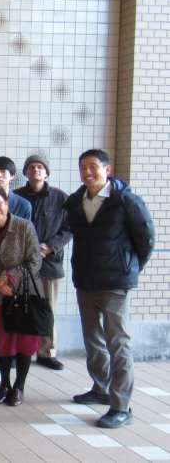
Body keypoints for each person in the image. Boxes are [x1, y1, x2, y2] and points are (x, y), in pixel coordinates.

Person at [64, 149, 154, 429]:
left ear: (107, 169)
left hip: (116, 283)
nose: (87, 172)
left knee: (118, 342)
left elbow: (146, 239)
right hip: (85, 280)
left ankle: (121, 407)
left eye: (93, 166)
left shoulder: (126, 201)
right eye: (83, 167)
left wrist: (128, 269)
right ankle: (100, 388)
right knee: (93, 339)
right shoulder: (77, 201)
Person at [0, 187, 42, 407]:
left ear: (6, 204)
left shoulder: (25, 226)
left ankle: (19, 387)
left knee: (25, 341)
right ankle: (4, 384)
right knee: (3, 340)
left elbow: (35, 261)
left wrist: (6, 277)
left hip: (26, 293)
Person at [13, 154, 71, 371]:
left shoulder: (60, 197)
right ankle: (18, 351)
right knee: (20, 307)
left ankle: (47, 352)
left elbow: (69, 227)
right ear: (25, 172)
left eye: (40, 167)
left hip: (49, 262)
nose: (36, 170)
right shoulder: (16, 197)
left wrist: (50, 246)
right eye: (31, 167)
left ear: (46, 172)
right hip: (20, 261)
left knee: (47, 309)